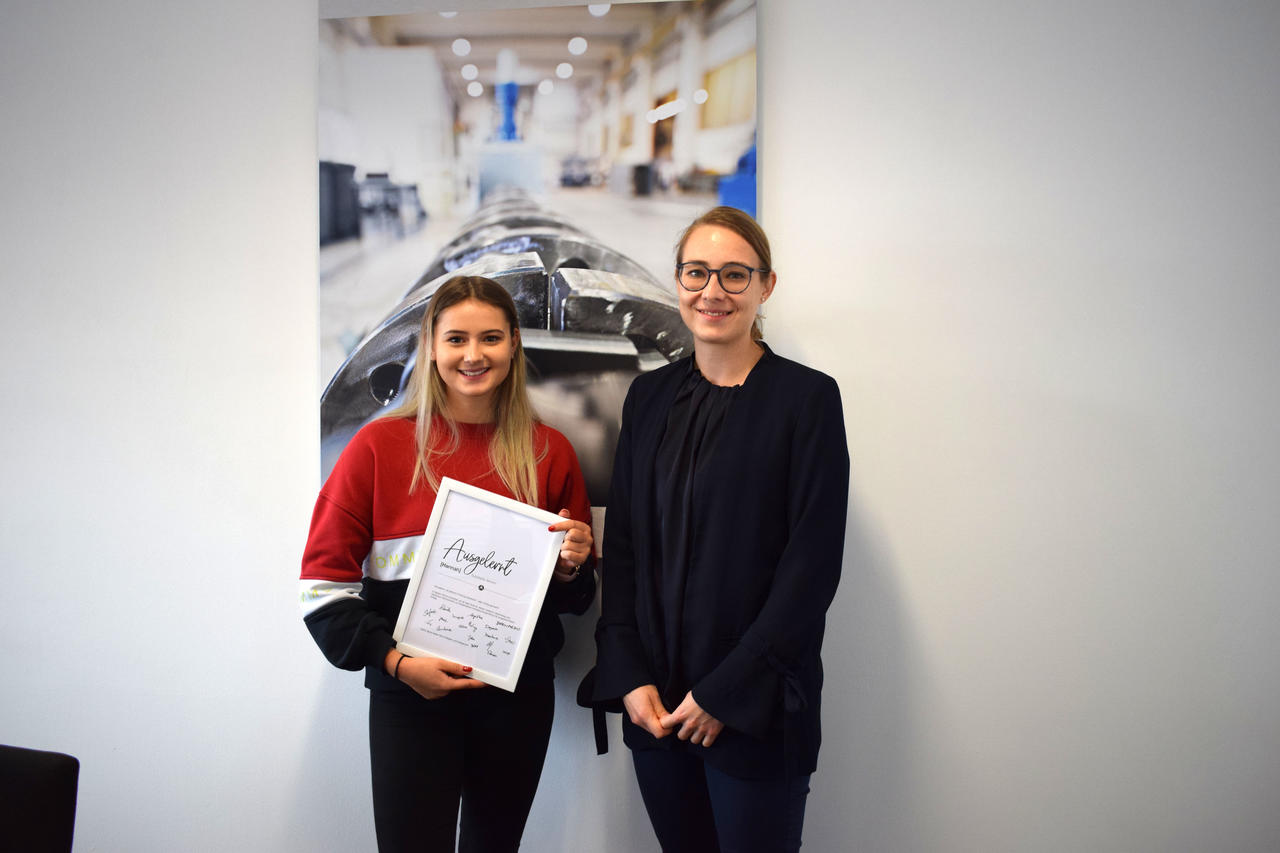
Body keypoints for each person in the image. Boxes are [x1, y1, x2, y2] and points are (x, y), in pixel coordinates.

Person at [300, 276, 596, 853]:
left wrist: (572, 565)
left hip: (516, 700)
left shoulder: (550, 451)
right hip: (409, 695)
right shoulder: (377, 448)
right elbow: (321, 591)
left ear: (513, 343)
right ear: (431, 347)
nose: (473, 354)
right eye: (456, 338)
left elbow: (574, 595)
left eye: (490, 338)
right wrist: (396, 663)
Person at [590, 207, 849, 852]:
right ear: (678, 281)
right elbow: (623, 550)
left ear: (766, 286)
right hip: (656, 706)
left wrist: (725, 694)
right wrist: (628, 673)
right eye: (697, 272)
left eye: (735, 275)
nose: (713, 291)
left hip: (755, 708)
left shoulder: (807, 400)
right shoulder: (648, 398)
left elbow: (812, 569)